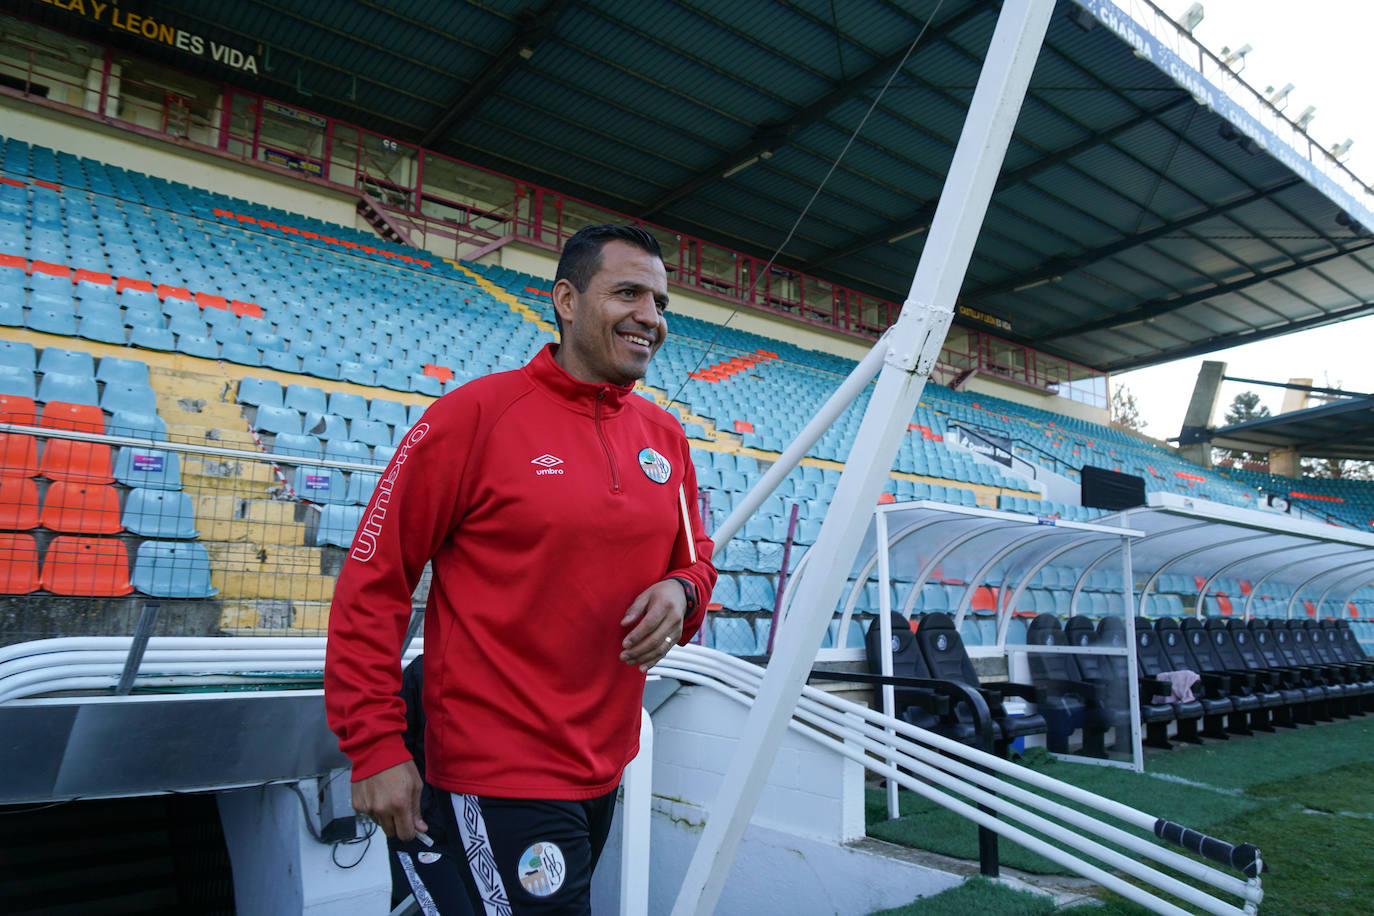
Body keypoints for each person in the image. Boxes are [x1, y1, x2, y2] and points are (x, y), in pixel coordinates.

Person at [324, 224, 717, 915]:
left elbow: (697, 561)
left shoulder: (667, 439)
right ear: (566, 299)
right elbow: (373, 580)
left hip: (603, 765)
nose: (651, 318)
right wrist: (376, 746)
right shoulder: (474, 416)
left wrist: (681, 593)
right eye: (628, 292)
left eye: (660, 302)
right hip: (496, 769)